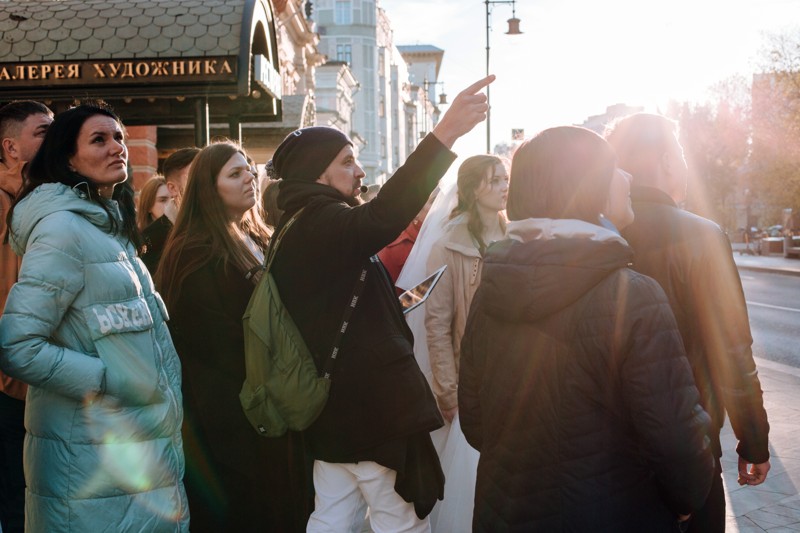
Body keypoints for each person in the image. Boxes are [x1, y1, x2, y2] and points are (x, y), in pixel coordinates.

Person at [459, 125, 715, 532]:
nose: (628, 178)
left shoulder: (489, 291)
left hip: (505, 514)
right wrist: (686, 501)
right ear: (585, 187)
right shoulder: (633, 295)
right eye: (614, 168)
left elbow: (475, 423)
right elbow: (677, 439)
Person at [267, 75, 494, 532]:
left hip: (336, 415)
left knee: (331, 518)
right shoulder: (322, 220)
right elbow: (386, 213)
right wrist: (444, 135)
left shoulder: (296, 227)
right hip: (371, 415)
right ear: (317, 172)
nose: (360, 172)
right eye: (348, 161)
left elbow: (335, 303)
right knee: (401, 522)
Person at [0, 102, 188, 532]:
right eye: (99, 140)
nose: (117, 147)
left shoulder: (109, 229)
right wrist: (107, 380)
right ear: (68, 157)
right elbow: (17, 345)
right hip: (88, 460)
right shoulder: (62, 230)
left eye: (119, 137)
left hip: (137, 454)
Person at [606, 113, 771, 532]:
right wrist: (753, 439)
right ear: (665, 160)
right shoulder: (701, 235)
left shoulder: (596, 235)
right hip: (689, 443)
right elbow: (732, 349)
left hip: (608, 456)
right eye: (679, 154)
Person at [156, 140, 311, 532]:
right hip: (227, 417)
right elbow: (207, 345)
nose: (250, 179)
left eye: (249, 170)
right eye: (235, 173)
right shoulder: (194, 252)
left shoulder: (255, 237)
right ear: (209, 188)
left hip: (267, 404)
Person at [421, 154, 508, 532]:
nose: (505, 186)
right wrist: (448, 391)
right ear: (474, 189)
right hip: (472, 385)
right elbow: (437, 325)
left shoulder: (518, 236)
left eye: (506, 178)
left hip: (516, 379)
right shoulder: (447, 246)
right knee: (470, 489)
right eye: (495, 180)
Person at [0, 99, 53, 533]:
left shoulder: (59, 198)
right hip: (7, 380)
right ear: (10, 147)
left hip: (51, 376)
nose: (54, 137)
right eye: (42, 132)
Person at [140, 147, 200, 274]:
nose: (204, 181)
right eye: (194, 176)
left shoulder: (223, 223)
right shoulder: (150, 240)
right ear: (172, 188)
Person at [377, 187, 439, 286]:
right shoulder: (397, 248)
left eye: (442, 199)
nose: (440, 205)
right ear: (416, 209)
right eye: (434, 201)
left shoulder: (447, 239)